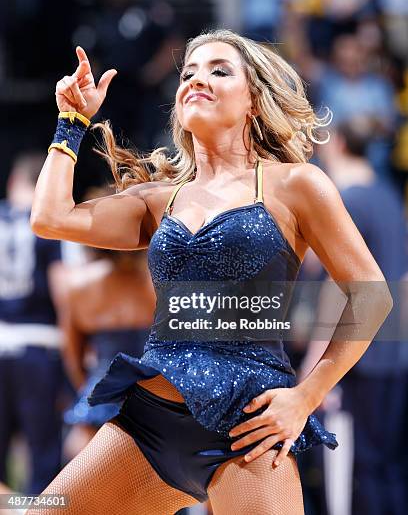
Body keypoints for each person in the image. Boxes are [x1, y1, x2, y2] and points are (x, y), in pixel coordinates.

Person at [29, 29, 392, 515]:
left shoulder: (296, 185)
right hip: (149, 427)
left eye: (220, 70)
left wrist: (307, 396)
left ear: (254, 101)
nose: (197, 79)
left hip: (250, 427)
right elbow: (50, 218)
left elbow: (371, 295)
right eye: (188, 73)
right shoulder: (160, 200)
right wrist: (71, 121)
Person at [315, 117, 408, 515]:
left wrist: (314, 362)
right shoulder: (388, 194)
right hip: (396, 353)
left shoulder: (348, 199)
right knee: (386, 465)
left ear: (334, 144)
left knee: (356, 470)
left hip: (359, 354)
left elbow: (338, 290)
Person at [0, 153, 64, 494]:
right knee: (44, 459)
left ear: (13, 182)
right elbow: (63, 292)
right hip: (39, 348)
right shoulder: (47, 224)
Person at [61, 246, 155, 459]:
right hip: (157, 400)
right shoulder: (165, 285)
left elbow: (73, 359)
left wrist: (90, 393)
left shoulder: (78, 286)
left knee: (78, 473)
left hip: (100, 400)